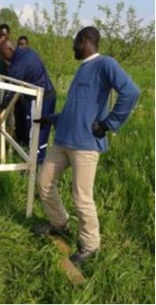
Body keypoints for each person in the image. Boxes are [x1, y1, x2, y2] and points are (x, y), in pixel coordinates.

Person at [31, 26, 140, 265]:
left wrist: (108, 123)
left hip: (85, 145)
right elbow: (76, 110)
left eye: (74, 42)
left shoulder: (105, 64)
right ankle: (59, 223)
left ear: (84, 41)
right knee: (44, 182)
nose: (72, 47)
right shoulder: (82, 70)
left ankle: (90, 246)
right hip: (63, 141)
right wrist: (51, 119)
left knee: (81, 198)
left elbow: (131, 92)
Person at [0, 39, 56, 165]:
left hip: (38, 100)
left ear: (10, 50)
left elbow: (11, 92)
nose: (2, 58)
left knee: (33, 133)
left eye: (2, 54)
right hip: (50, 95)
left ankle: (32, 168)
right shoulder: (29, 52)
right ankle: (41, 162)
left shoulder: (17, 64)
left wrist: (0, 111)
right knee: (43, 131)